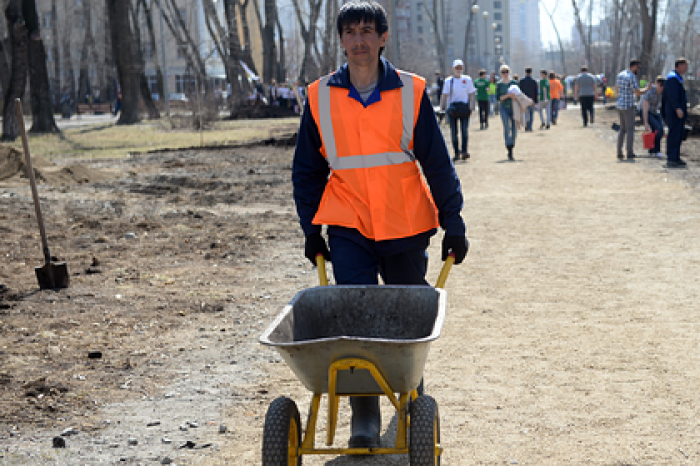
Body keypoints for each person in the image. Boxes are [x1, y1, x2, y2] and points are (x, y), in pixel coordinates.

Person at [291, 1, 468, 449]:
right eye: (350, 33)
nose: (359, 41)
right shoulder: (320, 97)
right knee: (353, 318)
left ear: (383, 37)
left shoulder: (410, 91)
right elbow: (307, 171)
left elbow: (437, 162)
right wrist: (311, 228)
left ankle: (411, 391)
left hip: (405, 222)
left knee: (406, 317)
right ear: (341, 41)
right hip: (348, 224)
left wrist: (454, 220)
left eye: (368, 31)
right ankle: (364, 412)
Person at [440, 58, 476, 160]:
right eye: (457, 68)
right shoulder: (448, 81)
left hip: (464, 108)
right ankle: (456, 152)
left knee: (464, 131)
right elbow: (444, 95)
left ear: (463, 68)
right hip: (453, 110)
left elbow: (470, 94)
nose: (458, 69)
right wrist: (442, 108)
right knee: (454, 132)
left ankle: (464, 151)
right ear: (453, 68)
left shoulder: (467, 79)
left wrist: (471, 105)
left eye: (460, 67)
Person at [616, 58, 649, 161]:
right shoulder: (632, 77)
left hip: (620, 105)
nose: (638, 70)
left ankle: (619, 152)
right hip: (628, 106)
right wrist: (647, 89)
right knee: (630, 129)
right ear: (634, 66)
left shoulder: (620, 74)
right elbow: (638, 92)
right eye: (638, 68)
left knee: (622, 129)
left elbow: (617, 89)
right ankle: (629, 152)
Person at [663, 57, 689, 167]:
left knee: (678, 134)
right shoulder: (672, 78)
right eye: (684, 66)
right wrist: (677, 108)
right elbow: (672, 96)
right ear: (679, 66)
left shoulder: (678, 78)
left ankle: (676, 156)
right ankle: (671, 158)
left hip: (678, 112)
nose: (686, 68)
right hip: (674, 112)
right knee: (673, 134)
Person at [638, 75, 666, 159]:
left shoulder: (663, 93)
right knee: (657, 128)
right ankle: (655, 151)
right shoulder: (649, 92)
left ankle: (653, 150)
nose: (662, 89)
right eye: (661, 86)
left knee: (661, 129)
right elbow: (645, 109)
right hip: (645, 111)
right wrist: (646, 123)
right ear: (657, 84)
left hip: (655, 111)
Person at [496, 64, 519, 160]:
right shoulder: (499, 84)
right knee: (506, 128)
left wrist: (515, 96)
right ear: (501, 73)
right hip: (504, 108)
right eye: (503, 72)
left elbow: (519, 94)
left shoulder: (514, 82)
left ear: (509, 72)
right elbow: (498, 98)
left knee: (514, 129)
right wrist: (507, 96)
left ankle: (512, 144)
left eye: (506, 71)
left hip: (514, 107)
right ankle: (509, 148)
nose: (505, 73)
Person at [518, 67, 538, 132]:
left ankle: (526, 122)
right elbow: (536, 92)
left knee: (526, 113)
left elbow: (520, 91)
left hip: (524, 99)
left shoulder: (522, 81)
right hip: (532, 99)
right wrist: (536, 101)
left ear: (525, 72)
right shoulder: (534, 81)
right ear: (531, 72)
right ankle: (530, 127)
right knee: (532, 114)